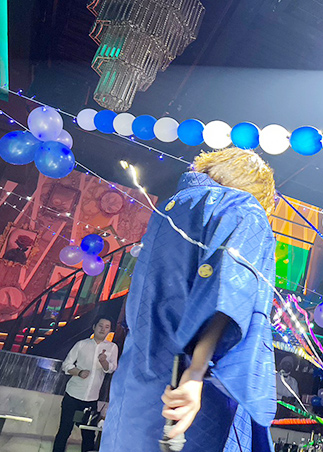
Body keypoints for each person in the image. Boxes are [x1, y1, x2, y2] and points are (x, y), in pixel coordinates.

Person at [101, 148, 277, 452]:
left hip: (134, 390)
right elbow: (229, 289)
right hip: (190, 394)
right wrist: (196, 372)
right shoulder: (242, 207)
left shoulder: (168, 209)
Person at [53, 316, 117, 452]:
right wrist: (79, 372)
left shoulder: (112, 347)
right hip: (73, 395)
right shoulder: (81, 344)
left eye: (107, 327)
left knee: (88, 435)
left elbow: (111, 368)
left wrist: (103, 361)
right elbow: (66, 365)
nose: (103, 329)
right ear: (94, 327)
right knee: (64, 431)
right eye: (100, 325)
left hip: (91, 399)